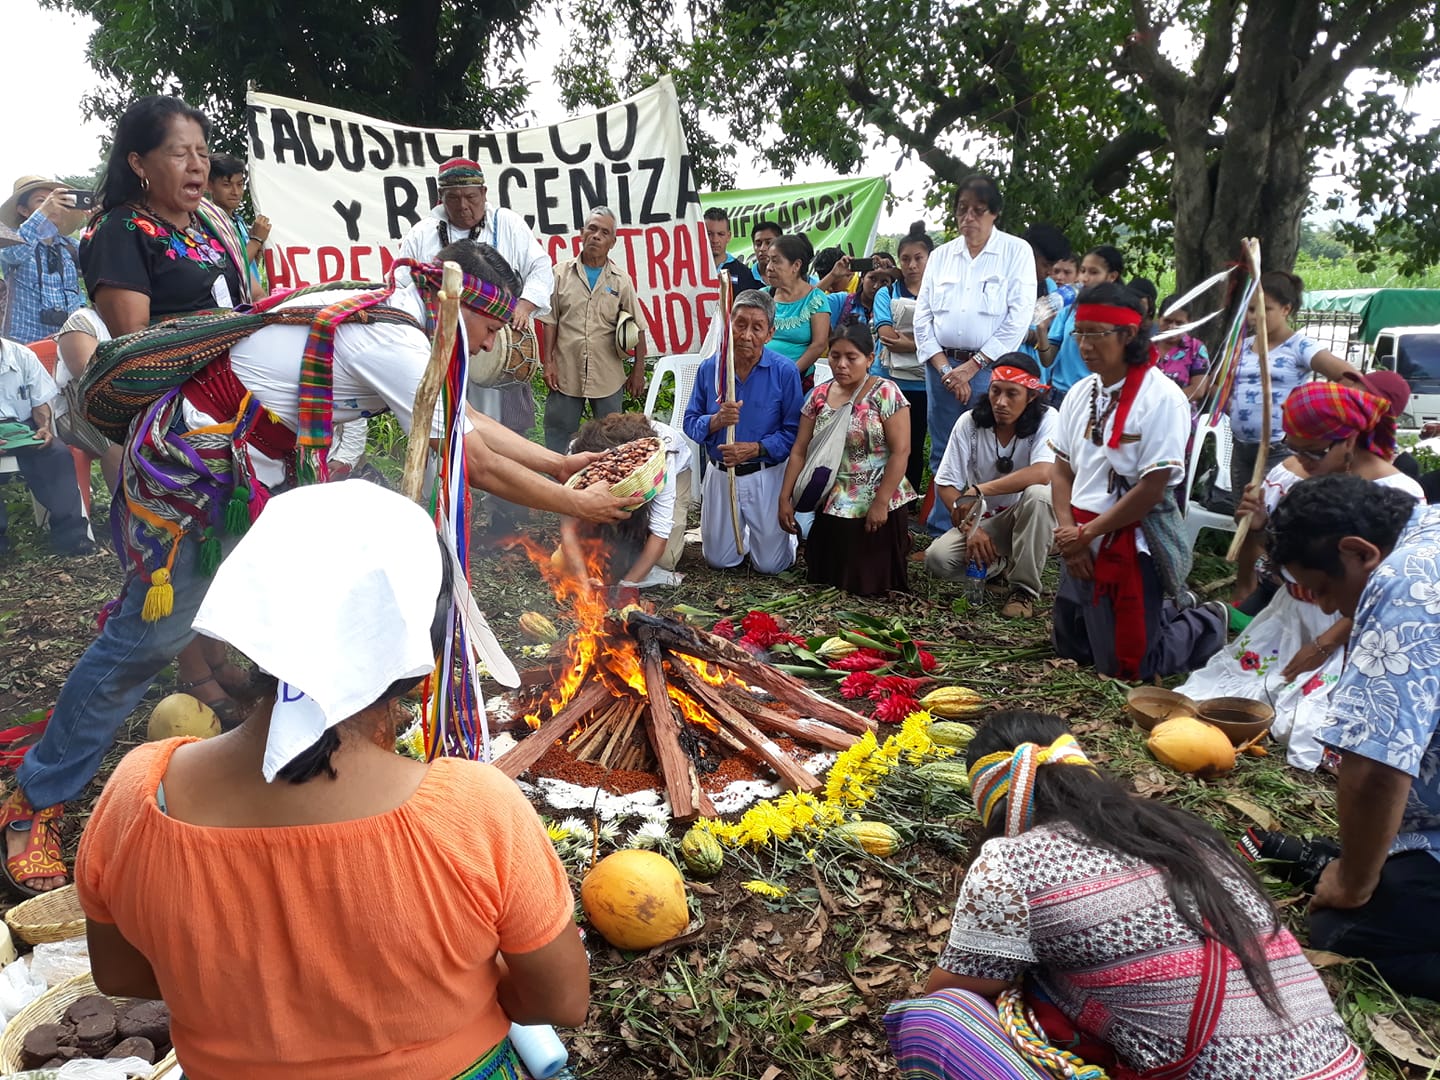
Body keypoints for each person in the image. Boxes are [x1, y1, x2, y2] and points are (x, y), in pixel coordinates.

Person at [0, 242, 634, 896]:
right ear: (462, 305)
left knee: (367, 569)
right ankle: (34, 801)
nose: (491, 342)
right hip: (193, 477)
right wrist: (579, 502)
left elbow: (465, 419)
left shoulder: (394, 314)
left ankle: (320, 744)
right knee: (144, 640)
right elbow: (471, 457)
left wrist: (560, 467)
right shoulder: (394, 340)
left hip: (261, 473)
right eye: (493, 327)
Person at [75, 480, 590, 1077]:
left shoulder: (141, 794)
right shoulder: (474, 813)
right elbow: (561, 1001)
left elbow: (122, 975)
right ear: (417, 647)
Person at [884, 710, 1365, 1079]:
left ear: (989, 800)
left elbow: (954, 988)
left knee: (937, 1020)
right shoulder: (1184, 834)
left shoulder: (1012, 862)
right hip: (1339, 1066)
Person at [78, 95, 254, 724]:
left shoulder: (209, 226)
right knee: (172, 571)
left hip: (231, 421)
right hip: (172, 432)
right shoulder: (120, 230)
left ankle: (209, 660)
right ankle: (188, 672)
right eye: (179, 152)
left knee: (217, 552)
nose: (197, 164)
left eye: (203, 152)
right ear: (139, 161)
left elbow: (241, 310)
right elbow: (139, 348)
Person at [1178, 382, 1424, 770]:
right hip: (1289, 607)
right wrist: (1257, 526)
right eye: (1293, 449)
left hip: (1346, 623)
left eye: (1313, 452)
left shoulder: (1398, 495)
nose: (1301, 461)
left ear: (1350, 440)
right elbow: (1276, 558)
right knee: (1222, 689)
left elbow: (1382, 591)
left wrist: (1326, 643)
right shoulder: (1290, 474)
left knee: (1309, 721)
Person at [1266, 475, 1439, 1000]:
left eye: (1319, 588)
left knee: (1340, 932)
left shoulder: (1404, 581)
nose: (1321, 607)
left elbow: (1376, 769)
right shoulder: (1426, 527)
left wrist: (1352, 882)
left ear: (1358, 552)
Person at [1050, 282, 1226, 680]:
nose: (1084, 344)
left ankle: (1206, 621)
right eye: (1080, 332)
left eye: (1096, 334)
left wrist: (1087, 532)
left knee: (1129, 667)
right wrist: (1068, 531)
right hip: (1079, 529)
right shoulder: (1081, 392)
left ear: (1128, 335)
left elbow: (1152, 487)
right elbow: (1060, 469)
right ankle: (1160, 612)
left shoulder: (1162, 398)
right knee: (1072, 647)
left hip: (1129, 538)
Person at [399, 157, 554, 532]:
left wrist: (521, 306)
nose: (464, 208)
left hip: (493, 352)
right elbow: (404, 281)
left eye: (471, 197)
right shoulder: (423, 233)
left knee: (499, 429)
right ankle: (440, 518)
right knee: (443, 433)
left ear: (485, 193)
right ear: (441, 198)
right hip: (439, 354)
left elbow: (541, 267)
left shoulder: (509, 224)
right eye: (454, 200)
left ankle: (504, 520)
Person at [914, 176, 1035, 536]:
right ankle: (941, 531)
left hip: (990, 370)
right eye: (962, 209)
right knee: (943, 449)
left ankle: (991, 532)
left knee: (988, 450)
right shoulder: (941, 255)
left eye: (978, 211)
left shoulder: (1016, 252)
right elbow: (923, 317)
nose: (969, 218)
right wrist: (945, 368)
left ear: (994, 214)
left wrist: (972, 367)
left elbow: (1018, 317)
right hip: (941, 368)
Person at [780, 324, 916, 595]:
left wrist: (881, 503)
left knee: (867, 585)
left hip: (878, 499)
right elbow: (799, 450)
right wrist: (785, 499)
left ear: (870, 358)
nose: (841, 364)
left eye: (851, 357)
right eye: (834, 356)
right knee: (826, 579)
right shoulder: (819, 395)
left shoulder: (885, 393)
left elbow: (901, 452)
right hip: (832, 499)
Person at [924, 355, 1057, 619]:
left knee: (1039, 495)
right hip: (985, 521)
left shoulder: (1048, 418)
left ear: (1031, 396)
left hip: (1030, 519)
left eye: (1012, 394)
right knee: (937, 559)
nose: (1001, 402)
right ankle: (1000, 564)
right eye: (996, 391)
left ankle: (1024, 590)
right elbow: (946, 484)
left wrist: (979, 490)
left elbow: (1043, 472)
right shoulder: (969, 422)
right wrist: (971, 527)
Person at [682, 290, 802, 574]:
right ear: (729, 324)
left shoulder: (785, 372)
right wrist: (716, 421)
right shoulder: (711, 368)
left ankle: (786, 540)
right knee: (719, 561)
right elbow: (690, 422)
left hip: (765, 473)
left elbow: (793, 432)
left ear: (769, 333)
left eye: (757, 327)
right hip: (721, 473)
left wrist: (755, 448)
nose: (747, 334)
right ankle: (746, 535)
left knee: (771, 566)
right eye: (740, 324)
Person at [1224, 270, 1362, 501]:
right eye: (1250, 309)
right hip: (1242, 447)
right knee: (1244, 515)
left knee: (1276, 514)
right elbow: (1224, 386)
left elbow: (1351, 377)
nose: (1255, 317)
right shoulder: (1242, 346)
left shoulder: (1299, 346)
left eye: (1264, 309)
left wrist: (1317, 415)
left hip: (1279, 448)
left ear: (1286, 309)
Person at [538, 207, 648, 453]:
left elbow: (638, 328)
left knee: (612, 438)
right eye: (592, 228)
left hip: (607, 375)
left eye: (604, 232)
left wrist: (638, 370)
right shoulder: (560, 274)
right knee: (558, 435)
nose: (597, 235)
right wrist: (548, 362)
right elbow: (550, 320)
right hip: (566, 373)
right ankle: (556, 487)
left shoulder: (621, 280)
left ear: (612, 242)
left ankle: (607, 486)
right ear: (581, 233)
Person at [558, 412, 691, 593]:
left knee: (666, 559)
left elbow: (660, 533)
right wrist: (582, 579)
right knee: (586, 553)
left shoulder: (661, 459)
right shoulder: (580, 452)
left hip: (674, 474)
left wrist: (624, 588)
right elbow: (568, 523)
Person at [0, 336, 92, 557]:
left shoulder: (22, 355)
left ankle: (72, 537)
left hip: (23, 426)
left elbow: (40, 402)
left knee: (56, 453)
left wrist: (44, 427)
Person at [872, 222, 931, 496]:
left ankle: (907, 501)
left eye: (918, 258)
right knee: (882, 442)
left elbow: (945, 338)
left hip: (923, 384)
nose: (912, 265)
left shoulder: (938, 295)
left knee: (914, 443)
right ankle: (879, 494)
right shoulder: (886, 293)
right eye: (906, 259)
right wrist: (924, 345)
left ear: (930, 259)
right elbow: (886, 336)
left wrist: (907, 343)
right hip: (889, 382)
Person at [0, 176, 87, 343]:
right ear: (23, 210)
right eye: (42, 200)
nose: (52, 204)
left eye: (55, 200)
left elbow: (104, 264)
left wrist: (97, 220)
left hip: (69, 343)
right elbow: (15, 253)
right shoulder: (11, 240)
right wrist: (43, 212)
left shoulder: (70, 246)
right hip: (24, 343)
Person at [1037, 245, 1123, 407]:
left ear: (1112, 276)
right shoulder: (1068, 310)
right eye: (1082, 271)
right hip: (1059, 396)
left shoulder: (1120, 316)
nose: (1085, 278)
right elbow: (1048, 360)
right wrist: (1042, 329)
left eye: (1093, 272)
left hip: (1095, 398)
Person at [52, 306, 123, 493]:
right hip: (79, 409)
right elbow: (92, 380)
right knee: (121, 448)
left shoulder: (144, 318)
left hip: (130, 407)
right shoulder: (81, 323)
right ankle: (131, 516)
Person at [764, 234, 830, 388]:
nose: (769, 267)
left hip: (796, 379)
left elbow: (819, 344)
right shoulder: (763, 296)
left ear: (796, 265)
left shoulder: (815, 299)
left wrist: (791, 372)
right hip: (761, 378)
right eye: (768, 260)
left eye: (775, 261)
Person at [206, 152, 269, 299]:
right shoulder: (209, 223)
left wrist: (256, 250)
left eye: (240, 184)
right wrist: (256, 241)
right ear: (209, 185)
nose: (235, 192)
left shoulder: (238, 221)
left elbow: (248, 264)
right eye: (227, 185)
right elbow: (231, 266)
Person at [1017, 224, 1071, 365]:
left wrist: (1028, 335)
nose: (1049, 272)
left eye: (1052, 266)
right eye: (1045, 264)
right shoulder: (1003, 283)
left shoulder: (1049, 286)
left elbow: (1050, 335)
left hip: (1035, 367)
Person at [1156, 291, 1210, 402]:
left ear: (1189, 323)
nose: (1171, 327)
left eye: (1179, 323)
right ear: (1159, 318)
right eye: (1167, 321)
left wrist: (1162, 402)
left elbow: (1198, 390)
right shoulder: (1145, 346)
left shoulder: (1196, 349)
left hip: (1180, 414)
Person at [703, 207, 761, 295]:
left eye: (721, 234)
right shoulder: (689, 269)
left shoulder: (744, 273)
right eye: (709, 234)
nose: (715, 240)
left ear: (729, 236)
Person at [829, 264, 890, 329]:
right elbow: (817, 302)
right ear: (862, 278)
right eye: (872, 278)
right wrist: (832, 275)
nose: (876, 286)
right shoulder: (841, 301)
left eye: (884, 282)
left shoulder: (893, 311)